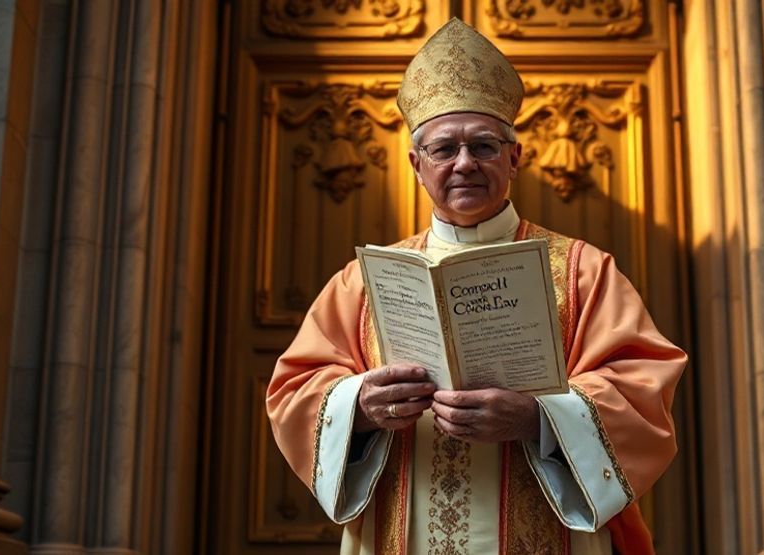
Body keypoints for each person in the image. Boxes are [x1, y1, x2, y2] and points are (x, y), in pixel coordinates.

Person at [267, 17, 686, 555]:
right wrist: (360, 406)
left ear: (515, 158)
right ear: (417, 165)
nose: (464, 163)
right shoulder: (363, 281)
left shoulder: (584, 270)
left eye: (484, 146)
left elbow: (641, 392)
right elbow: (295, 392)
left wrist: (537, 419)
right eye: (444, 150)